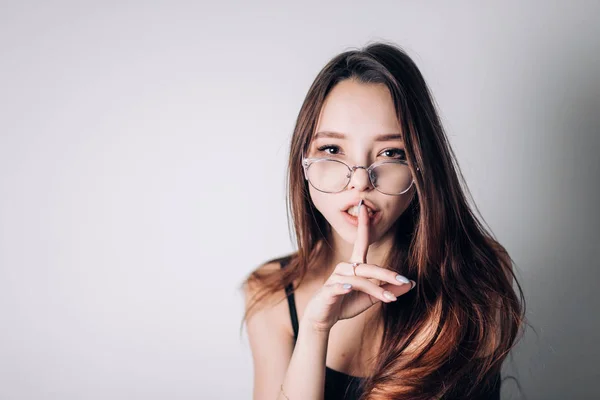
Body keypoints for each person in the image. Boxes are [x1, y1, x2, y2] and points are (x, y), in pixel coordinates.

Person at [240, 41, 526, 400]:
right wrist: (316, 328)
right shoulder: (270, 294)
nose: (360, 181)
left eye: (391, 153)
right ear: (304, 160)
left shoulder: (473, 280)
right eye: (332, 149)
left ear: (421, 166)